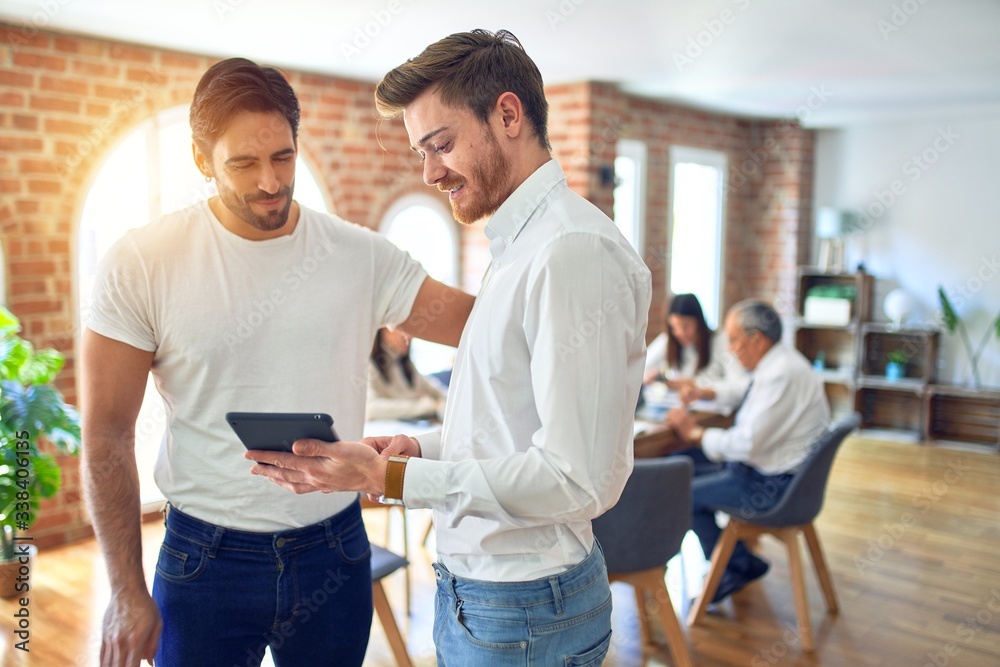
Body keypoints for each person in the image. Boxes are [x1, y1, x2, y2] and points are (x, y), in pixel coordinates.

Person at [248, 29, 652, 666]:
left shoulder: (571, 253)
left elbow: (577, 479)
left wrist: (394, 476)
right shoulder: (517, 248)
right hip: (486, 598)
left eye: (441, 145)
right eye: (422, 152)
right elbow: (510, 429)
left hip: (525, 608)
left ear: (509, 115)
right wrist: (419, 449)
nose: (431, 172)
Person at [80, 57, 474, 667]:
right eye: (243, 163)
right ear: (200, 158)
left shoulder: (356, 256)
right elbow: (106, 433)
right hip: (203, 560)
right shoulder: (143, 263)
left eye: (283, 157)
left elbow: (481, 327)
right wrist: (126, 591)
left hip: (333, 549)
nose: (269, 181)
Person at [666, 299, 830, 602]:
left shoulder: (781, 375)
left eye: (734, 341)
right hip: (783, 476)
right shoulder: (780, 363)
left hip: (773, 487)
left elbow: (745, 443)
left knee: (681, 492)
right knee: (680, 465)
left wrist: (695, 433)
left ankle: (732, 566)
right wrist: (707, 391)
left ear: (757, 339)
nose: (730, 349)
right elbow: (747, 390)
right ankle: (739, 561)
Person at [644, 293, 749, 414]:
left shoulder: (721, 341)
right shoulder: (669, 341)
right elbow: (641, 367)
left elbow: (740, 385)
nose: (680, 333)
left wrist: (696, 386)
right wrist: (656, 375)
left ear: (698, 322)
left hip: (712, 415)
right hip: (678, 411)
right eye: (674, 327)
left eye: (686, 326)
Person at [367, 327, 446, 421]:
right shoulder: (370, 366)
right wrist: (427, 407)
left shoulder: (405, 363)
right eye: (400, 329)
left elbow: (440, 393)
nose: (408, 336)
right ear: (382, 330)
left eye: (409, 331)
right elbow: (371, 409)